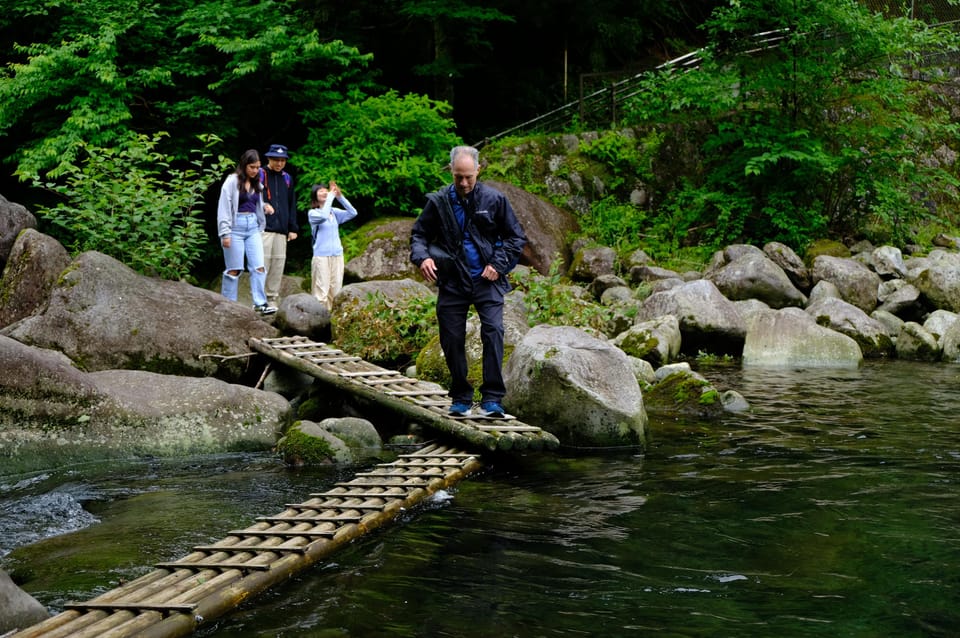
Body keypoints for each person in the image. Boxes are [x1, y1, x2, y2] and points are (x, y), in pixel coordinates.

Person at [410, 145, 526, 418]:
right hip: (452, 280)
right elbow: (419, 235)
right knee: (451, 338)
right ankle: (461, 396)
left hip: (487, 280)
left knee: (494, 332)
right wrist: (423, 258)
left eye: (468, 177)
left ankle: (492, 399)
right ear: (451, 171)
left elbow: (515, 238)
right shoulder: (439, 202)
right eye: (458, 177)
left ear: (478, 171)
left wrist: (497, 265)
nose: (463, 183)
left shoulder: (494, 200)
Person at [216, 149, 277, 315]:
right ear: (244, 165)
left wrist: (265, 206)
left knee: (259, 266)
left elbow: (256, 204)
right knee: (234, 269)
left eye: (257, 167)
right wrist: (225, 233)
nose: (255, 170)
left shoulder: (257, 184)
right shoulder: (232, 181)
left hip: (253, 226)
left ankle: (260, 303)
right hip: (235, 227)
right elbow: (224, 207)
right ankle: (229, 305)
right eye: (252, 167)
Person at [307, 180, 358, 309]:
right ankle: (319, 318)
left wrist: (340, 197)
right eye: (320, 191)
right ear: (315, 196)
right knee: (321, 292)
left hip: (337, 255)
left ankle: (333, 318)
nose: (325, 192)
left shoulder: (334, 212)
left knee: (336, 291)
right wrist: (330, 196)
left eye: (326, 190)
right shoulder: (313, 213)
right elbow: (324, 216)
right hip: (321, 257)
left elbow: (353, 212)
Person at [259, 144, 298, 307]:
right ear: (269, 158)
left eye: (282, 160)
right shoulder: (260, 174)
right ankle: (259, 299)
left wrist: (293, 228)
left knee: (278, 263)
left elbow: (291, 203)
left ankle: (272, 298)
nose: (279, 163)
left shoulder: (287, 178)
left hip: (282, 229)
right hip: (264, 228)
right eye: (276, 160)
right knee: (262, 263)